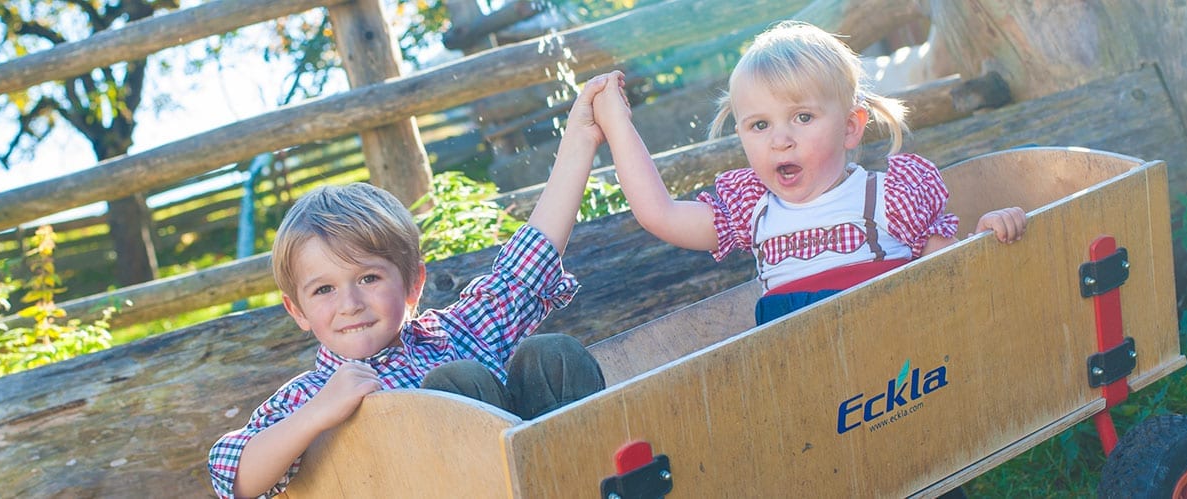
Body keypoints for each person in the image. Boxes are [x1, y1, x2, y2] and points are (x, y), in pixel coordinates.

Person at [207, 74, 618, 499]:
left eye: (368, 278)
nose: (349, 304)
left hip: (544, 481)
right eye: (323, 290)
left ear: (413, 284)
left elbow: (528, 266)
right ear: (297, 311)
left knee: (551, 355)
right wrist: (317, 414)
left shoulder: (459, 334)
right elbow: (230, 476)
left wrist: (581, 139)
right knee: (458, 386)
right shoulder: (309, 396)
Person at [591, 21, 1028, 325]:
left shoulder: (886, 198)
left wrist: (985, 236)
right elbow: (658, 212)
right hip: (798, 380)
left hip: (896, 364)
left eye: (802, 118)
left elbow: (954, 269)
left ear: (850, 127)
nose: (780, 140)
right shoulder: (754, 213)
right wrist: (617, 126)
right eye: (760, 125)